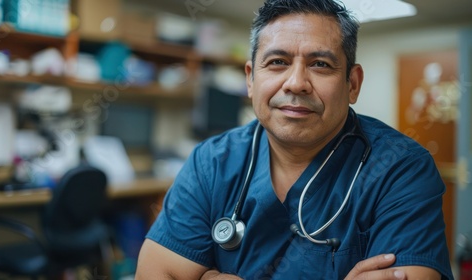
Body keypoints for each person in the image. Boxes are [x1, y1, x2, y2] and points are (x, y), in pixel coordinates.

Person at [136, 0, 454, 279]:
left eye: (320, 64)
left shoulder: (401, 168)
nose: (296, 83)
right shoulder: (212, 162)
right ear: (250, 79)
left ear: (352, 84)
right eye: (277, 62)